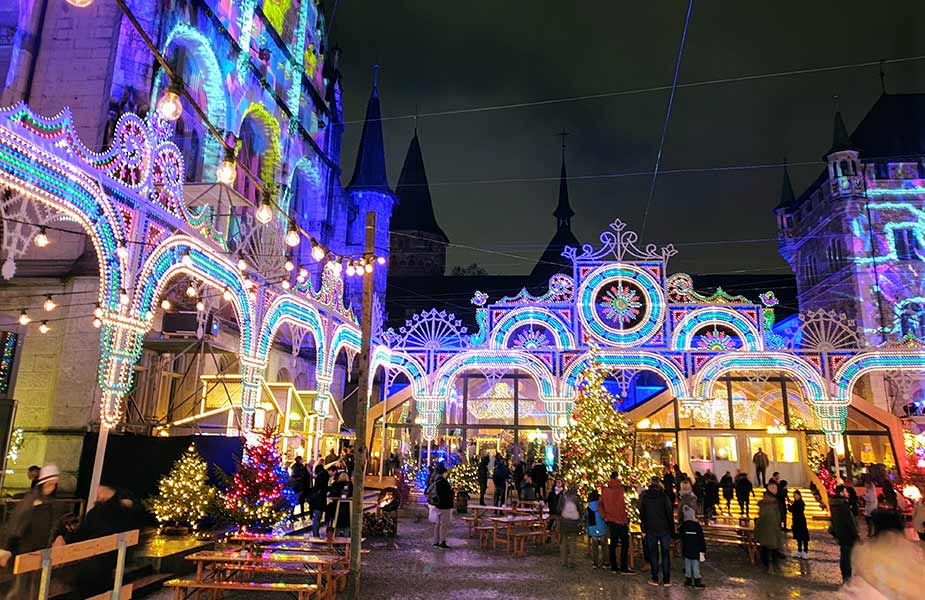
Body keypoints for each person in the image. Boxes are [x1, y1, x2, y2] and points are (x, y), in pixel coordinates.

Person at [0, 465, 67, 599]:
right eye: (48, 484)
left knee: (35, 587)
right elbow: (16, 526)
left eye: (54, 484)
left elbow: (55, 524)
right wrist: (7, 549)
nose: (51, 487)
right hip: (26, 551)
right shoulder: (30, 503)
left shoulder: (52, 504)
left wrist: (59, 536)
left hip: (42, 552)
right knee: (22, 587)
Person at [66, 482, 140, 597]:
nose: (98, 494)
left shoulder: (119, 507)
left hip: (105, 558)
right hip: (93, 557)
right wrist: (67, 539)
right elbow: (84, 532)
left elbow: (128, 513)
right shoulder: (95, 512)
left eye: (100, 491)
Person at [639, 476, 674, 587]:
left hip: (650, 529)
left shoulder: (645, 497)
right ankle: (666, 579)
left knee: (653, 553)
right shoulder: (664, 496)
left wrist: (643, 529)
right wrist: (671, 528)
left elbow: (642, 514)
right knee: (665, 553)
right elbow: (669, 512)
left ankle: (655, 578)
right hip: (664, 528)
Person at [599, 472, 633, 574]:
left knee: (613, 543)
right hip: (621, 520)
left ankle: (614, 566)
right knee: (625, 543)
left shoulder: (605, 490)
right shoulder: (621, 489)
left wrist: (604, 516)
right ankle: (623, 566)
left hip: (610, 520)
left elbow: (600, 504)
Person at [829, 484, 859, 583]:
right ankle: (847, 578)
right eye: (846, 491)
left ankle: (845, 577)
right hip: (847, 534)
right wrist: (856, 536)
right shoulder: (843, 505)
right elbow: (850, 522)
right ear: (841, 493)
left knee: (844, 555)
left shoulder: (834, 504)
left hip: (840, 533)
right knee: (847, 557)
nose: (848, 493)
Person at [754, 482, 784, 572]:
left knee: (766, 549)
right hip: (773, 531)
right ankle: (773, 566)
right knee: (772, 549)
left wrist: (756, 533)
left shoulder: (767, 507)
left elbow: (761, 520)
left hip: (767, 531)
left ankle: (767, 566)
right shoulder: (776, 505)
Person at [680, 505, 706, 588]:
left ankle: (688, 579)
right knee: (695, 565)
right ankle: (697, 580)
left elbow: (680, 536)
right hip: (696, 549)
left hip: (687, 549)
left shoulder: (684, 526)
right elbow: (701, 539)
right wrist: (703, 549)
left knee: (687, 564)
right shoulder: (697, 526)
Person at [557, 485, 583, 568]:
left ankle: (563, 561)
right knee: (573, 542)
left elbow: (558, 508)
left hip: (564, 521)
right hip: (574, 522)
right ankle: (572, 561)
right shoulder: (577, 498)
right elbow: (580, 509)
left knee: (563, 542)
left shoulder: (562, 496)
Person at [431, 466, 454, 548]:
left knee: (437, 524)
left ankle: (436, 541)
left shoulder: (435, 480)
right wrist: (452, 492)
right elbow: (447, 494)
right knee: (444, 525)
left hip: (437, 505)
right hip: (444, 505)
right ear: (443, 473)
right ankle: (442, 541)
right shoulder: (443, 482)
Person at [327, 471, 352, 537]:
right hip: (347, 507)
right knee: (346, 524)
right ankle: (346, 537)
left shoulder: (335, 485)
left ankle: (336, 536)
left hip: (336, 507)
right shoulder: (350, 485)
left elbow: (332, 494)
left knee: (336, 523)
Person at [586, 491, 607, 569]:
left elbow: (587, 518)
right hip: (602, 527)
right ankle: (605, 562)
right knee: (604, 545)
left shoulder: (588, 508)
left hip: (593, 528)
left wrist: (588, 530)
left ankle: (595, 562)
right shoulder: (601, 506)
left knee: (594, 546)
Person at [309, 462, 330, 537]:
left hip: (317, 500)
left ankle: (315, 534)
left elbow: (317, 488)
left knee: (317, 518)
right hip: (320, 500)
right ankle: (315, 534)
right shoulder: (325, 476)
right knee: (318, 517)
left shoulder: (320, 477)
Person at [790, 489, 810, 559]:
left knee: (803, 536)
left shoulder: (800, 503)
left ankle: (805, 551)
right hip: (796, 521)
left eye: (796, 495)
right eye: (794, 495)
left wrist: (791, 507)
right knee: (798, 537)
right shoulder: (795, 503)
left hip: (801, 521)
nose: (795, 497)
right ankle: (799, 550)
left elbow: (796, 510)